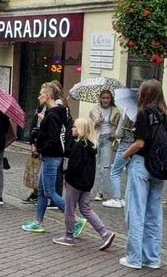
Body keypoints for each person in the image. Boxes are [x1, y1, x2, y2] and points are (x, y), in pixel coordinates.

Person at [119, 80, 167, 270]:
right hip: (160, 167)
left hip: (142, 164)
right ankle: (152, 258)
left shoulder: (143, 114)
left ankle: (134, 258)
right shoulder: (166, 115)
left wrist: (125, 155)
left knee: (136, 211)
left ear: (144, 94)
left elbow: (140, 143)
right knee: (154, 214)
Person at [54, 118, 116, 250]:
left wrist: (65, 175)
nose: (72, 129)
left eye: (75, 127)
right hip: (86, 184)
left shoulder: (78, 146)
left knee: (70, 209)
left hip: (74, 183)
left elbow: (74, 166)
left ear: (81, 129)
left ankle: (68, 236)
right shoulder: (90, 146)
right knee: (86, 208)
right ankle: (105, 233)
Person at [23, 83, 68, 232]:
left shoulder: (53, 115)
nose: (38, 97)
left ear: (48, 96)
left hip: (52, 157)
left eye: (41, 94)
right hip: (49, 156)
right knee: (42, 190)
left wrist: (40, 148)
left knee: (50, 192)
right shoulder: (53, 113)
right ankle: (39, 222)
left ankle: (74, 218)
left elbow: (53, 138)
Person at [90, 90, 121, 201]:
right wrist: (97, 121)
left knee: (105, 167)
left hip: (108, 139)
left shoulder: (116, 111)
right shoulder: (95, 109)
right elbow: (91, 125)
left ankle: (101, 192)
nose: (105, 100)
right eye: (103, 98)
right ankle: (91, 190)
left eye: (107, 98)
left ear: (111, 99)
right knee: (94, 166)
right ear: (100, 99)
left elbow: (118, 126)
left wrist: (115, 135)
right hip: (96, 139)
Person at [102, 110, 134, 209]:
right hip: (135, 144)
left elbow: (119, 133)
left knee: (115, 172)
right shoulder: (138, 111)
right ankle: (127, 199)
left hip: (125, 143)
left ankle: (116, 199)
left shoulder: (126, 113)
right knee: (129, 172)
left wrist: (114, 133)